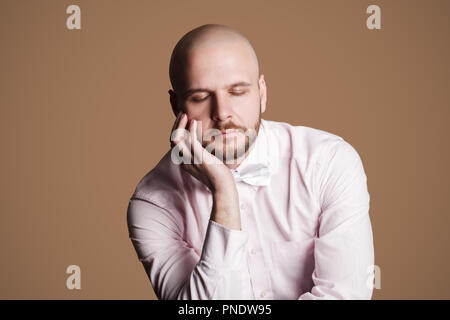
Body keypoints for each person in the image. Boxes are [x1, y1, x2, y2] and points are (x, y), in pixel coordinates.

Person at [126, 24, 375, 300]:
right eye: (200, 97)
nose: (222, 113)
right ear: (176, 106)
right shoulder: (153, 203)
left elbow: (344, 296)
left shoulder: (328, 163)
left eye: (237, 92)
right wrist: (224, 191)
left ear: (262, 93)